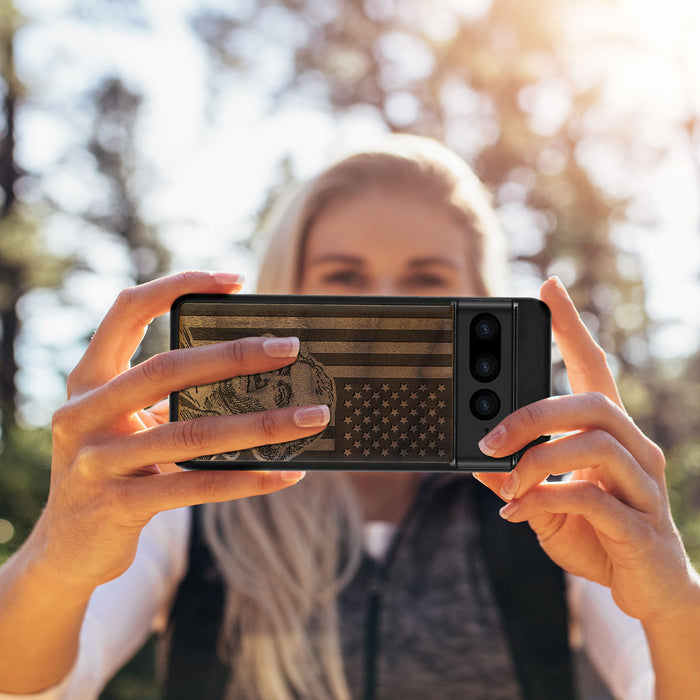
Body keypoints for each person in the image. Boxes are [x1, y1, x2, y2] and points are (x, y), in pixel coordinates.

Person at [0, 135, 699, 700]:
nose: (383, 310)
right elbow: (38, 685)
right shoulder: (187, 495)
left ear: (482, 302)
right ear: (283, 297)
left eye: (427, 280)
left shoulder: (551, 498)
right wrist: (57, 559)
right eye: (344, 278)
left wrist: (674, 604)